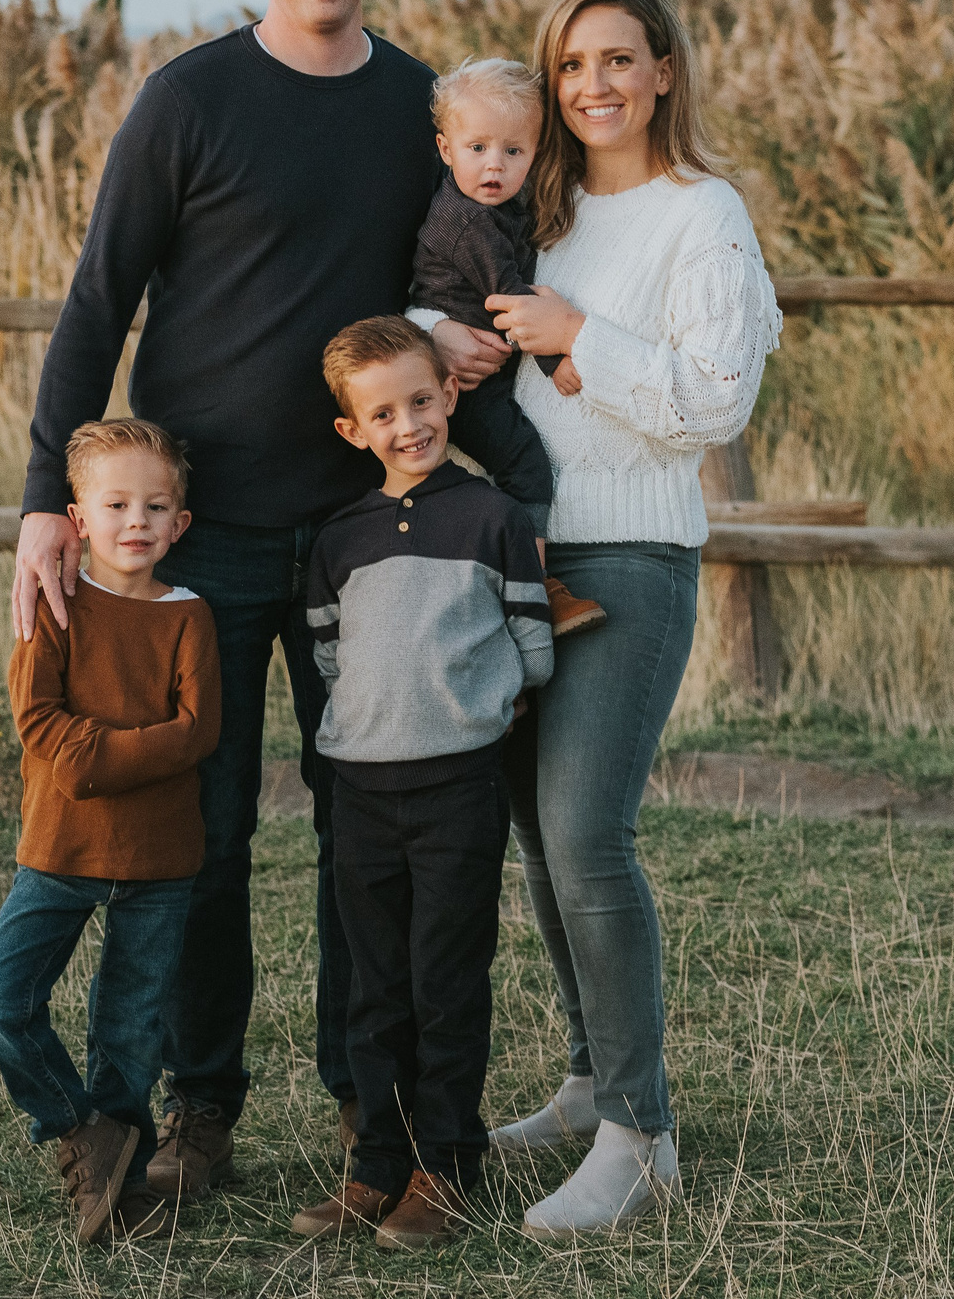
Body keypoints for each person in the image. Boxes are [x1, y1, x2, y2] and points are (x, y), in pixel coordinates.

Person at [10, 0, 505, 1195]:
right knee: (203, 839)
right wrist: (49, 500)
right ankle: (202, 1114)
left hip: (368, 537)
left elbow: (453, 277)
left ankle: (375, 1107)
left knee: (369, 834)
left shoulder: (415, 109)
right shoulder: (190, 101)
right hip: (205, 538)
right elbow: (100, 299)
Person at [476, 0, 783, 1238]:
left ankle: (640, 1135)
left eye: (617, 60)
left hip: (630, 561)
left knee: (587, 833)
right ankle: (590, 1078)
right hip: (514, 562)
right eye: (570, 67)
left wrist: (572, 334)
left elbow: (715, 402)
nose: (593, 85)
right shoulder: (530, 215)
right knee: (539, 843)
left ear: (663, 71)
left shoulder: (700, 214)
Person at [286, 317, 554, 1249]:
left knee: (445, 979)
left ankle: (445, 1165)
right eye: (383, 414)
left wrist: (479, 705)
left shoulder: (492, 518)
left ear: (449, 397)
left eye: (421, 401)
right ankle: (377, 1166)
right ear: (352, 432)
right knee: (374, 984)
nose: (408, 425)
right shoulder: (339, 537)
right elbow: (329, 655)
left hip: (457, 789)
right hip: (361, 789)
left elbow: (531, 647)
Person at [0, 418, 220, 1246]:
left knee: (131, 1030)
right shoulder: (55, 601)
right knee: (1, 998)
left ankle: (119, 1190)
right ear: (78, 518)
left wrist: (93, 759)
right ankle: (79, 1133)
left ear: (180, 524)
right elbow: (40, 720)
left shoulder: (189, 617)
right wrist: (101, 757)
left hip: (160, 855)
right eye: (116, 504)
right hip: (61, 849)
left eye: (155, 506)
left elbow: (197, 733)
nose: (135, 521)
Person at [407, 56, 605, 638]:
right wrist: (555, 360)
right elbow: (507, 295)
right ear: (446, 149)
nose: (495, 164)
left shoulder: (493, 208)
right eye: (478, 149)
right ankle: (534, 587)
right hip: (461, 384)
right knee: (526, 467)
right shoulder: (466, 222)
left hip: (476, 374)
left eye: (514, 152)